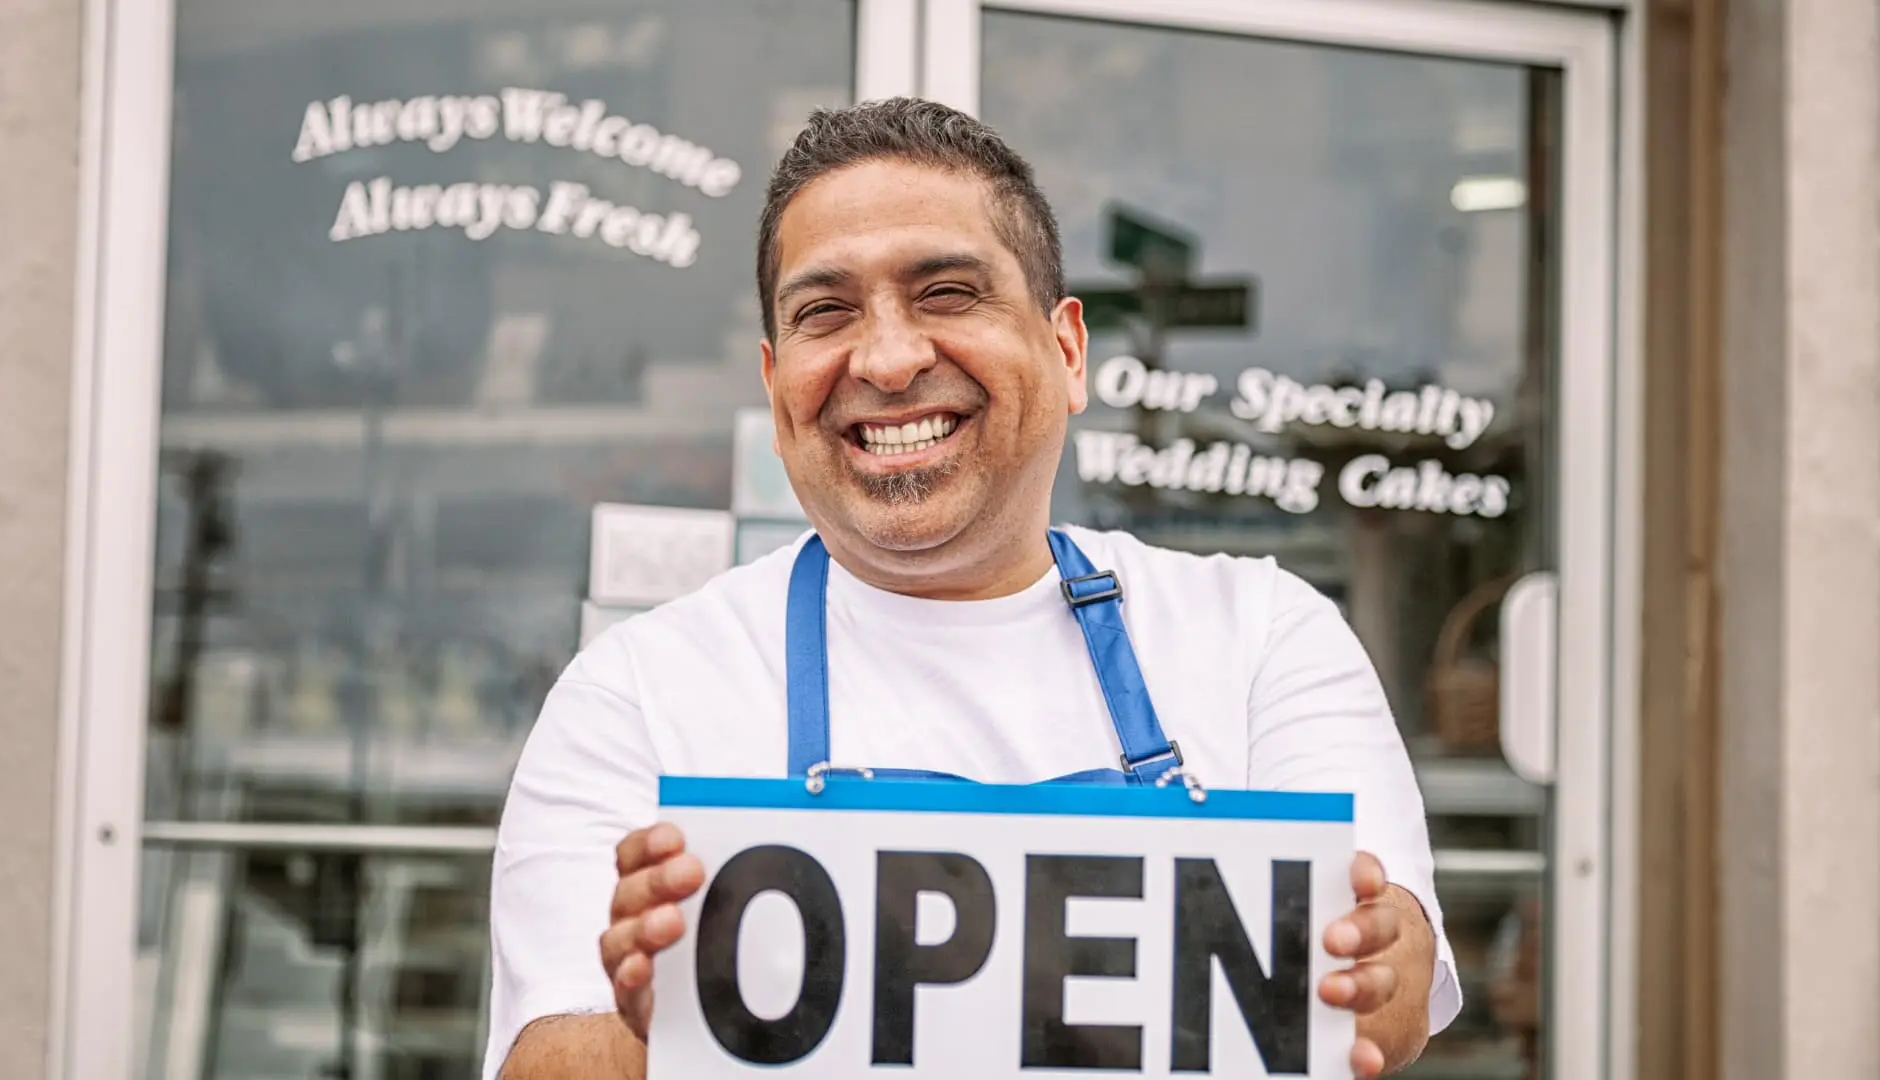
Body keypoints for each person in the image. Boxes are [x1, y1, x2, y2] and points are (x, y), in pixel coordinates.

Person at [482, 97, 1461, 1080]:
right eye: (826, 313)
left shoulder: (1260, 635)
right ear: (777, 388)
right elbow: (544, 1058)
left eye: (947, 294)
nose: (888, 359)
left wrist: (1367, 965)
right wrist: (663, 1031)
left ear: (1067, 351)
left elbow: (1391, 999)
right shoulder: (637, 694)